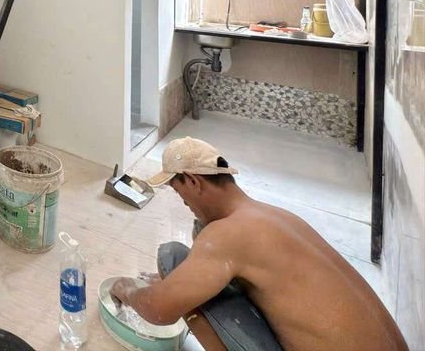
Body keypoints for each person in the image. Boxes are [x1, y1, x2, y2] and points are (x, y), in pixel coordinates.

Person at [110, 137, 408, 351]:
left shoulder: (227, 235)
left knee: (173, 258)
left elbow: (159, 310)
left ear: (192, 181)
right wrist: (180, 284)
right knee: (188, 270)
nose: (184, 203)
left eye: (179, 192)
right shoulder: (276, 217)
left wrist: (128, 290)